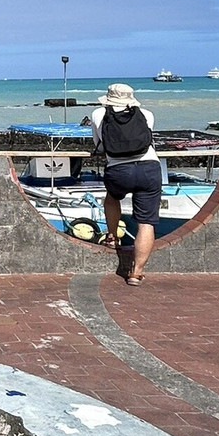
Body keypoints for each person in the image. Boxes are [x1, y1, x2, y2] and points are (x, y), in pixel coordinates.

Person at [91, 83, 159, 286]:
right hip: (149, 168)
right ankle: (136, 273)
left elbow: (99, 144)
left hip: (118, 171)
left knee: (112, 197)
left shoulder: (98, 114)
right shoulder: (146, 114)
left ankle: (112, 236)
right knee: (146, 222)